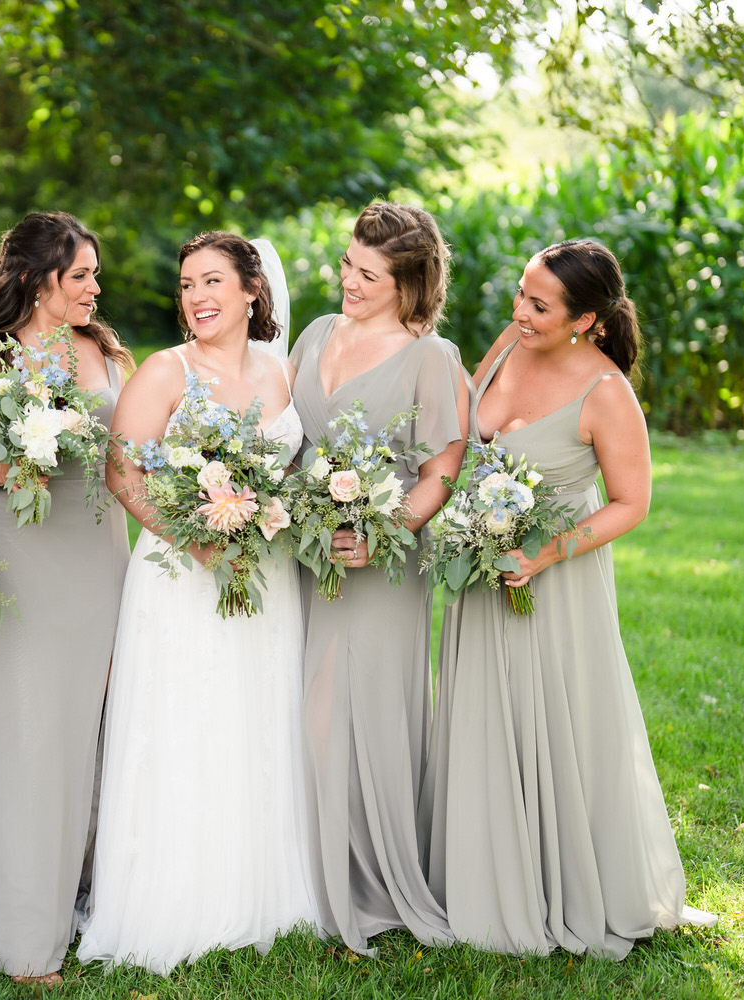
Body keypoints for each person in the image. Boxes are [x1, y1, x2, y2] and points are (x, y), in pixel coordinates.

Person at [423, 239, 716, 956]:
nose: (521, 312)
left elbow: (632, 503)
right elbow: (466, 421)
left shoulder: (606, 392)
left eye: (540, 305)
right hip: (481, 578)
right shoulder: (508, 345)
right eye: (520, 295)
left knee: (559, 722)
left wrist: (544, 554)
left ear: (586, 319)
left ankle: (568, 884)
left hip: (556, 582)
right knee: (484, 714)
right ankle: (484, 878)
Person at [77, 231, 318, 973]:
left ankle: (263, 886)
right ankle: (170, 890)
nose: (198, 297)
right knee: (183, 720)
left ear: (253, 290)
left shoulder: (283, 375)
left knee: (257, 718)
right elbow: (124, 476)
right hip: (182, 577)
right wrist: (202, 539)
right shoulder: (164, 370)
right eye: (186, 285)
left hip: (265, 577)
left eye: (213, 281)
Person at [0, 211, 133, 985]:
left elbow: (130, 451)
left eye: (95, 273)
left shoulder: (101, 349)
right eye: (81, 275)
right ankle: (24, 921)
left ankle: (97, 892)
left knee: (100, 720)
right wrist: (16, 468)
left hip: (98, 550)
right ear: (36, 279)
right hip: (19, 555)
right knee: (29, 723)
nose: (95, 287)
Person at [288, 202, 469, 955]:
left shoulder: (433, 358)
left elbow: (442, 472)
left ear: (409, 283)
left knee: (358, 712)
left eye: (367, 274)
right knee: (304, 710)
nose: (348, 281)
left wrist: (385, 530)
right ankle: (303, 871)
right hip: (304, 553)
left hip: (381, 562)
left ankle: (366, 881)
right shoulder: (316, 334)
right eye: (346, 265)